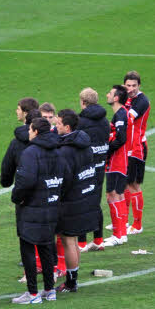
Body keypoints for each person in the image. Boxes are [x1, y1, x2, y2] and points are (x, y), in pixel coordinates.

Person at [11, 117, 66, 305]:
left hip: (32, 208)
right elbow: (65, 176)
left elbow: (25, 181)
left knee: (27, 247)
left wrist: (17, 198)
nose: (28, 133)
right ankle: (50, 290)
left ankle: (33, 294)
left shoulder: (30, 152)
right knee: (46, 246)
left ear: (35, 131)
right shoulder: (59, 150)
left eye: (30, 130)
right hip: (52, 206)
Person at [55, 109, 95, 293]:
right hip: (85, 197)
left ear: (67, 127)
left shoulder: (65, 151)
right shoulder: (85, 143)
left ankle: (71, 283)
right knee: (74, 240)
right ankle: (74, 279)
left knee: (68, 240)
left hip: (70, 200)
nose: (56, 127)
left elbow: (65, 179)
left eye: (58, 124)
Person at [77, 87, 110, 252]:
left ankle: (81, 243)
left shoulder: (80, 122)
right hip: (100, 166)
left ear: (83, 102)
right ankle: (98, 240)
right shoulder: (105, 121)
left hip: (85, 168)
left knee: (82, 203)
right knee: (95, 202)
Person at [123, 70, 150, 235]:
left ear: (139, 85)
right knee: (125, 183)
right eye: (128, 85)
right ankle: (123, 220)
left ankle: (138, 225)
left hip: (137, 148)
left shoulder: (142, 101)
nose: (130, 88)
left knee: (134, 185)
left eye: (134, 86)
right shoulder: (128, 97)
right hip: (127, 147)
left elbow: (128, 118)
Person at [102, 84, 130, 247]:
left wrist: (106, 148)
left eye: (110, 93)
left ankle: (117, 234)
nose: (107, 95)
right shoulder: (122, 113)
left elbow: (121, 139)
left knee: (112, 195)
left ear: (117, 98)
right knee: (118, 195)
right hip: (122, 160)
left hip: (116, 160)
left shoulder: (120, 115)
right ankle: (122, 233)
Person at [0, 97, 39, 188]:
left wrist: (5, 182)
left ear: (25, 113)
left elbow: (7, 168)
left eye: (18, 109)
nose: (16, 111)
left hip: (24, 191)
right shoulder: (49, 137)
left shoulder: (16, 143)